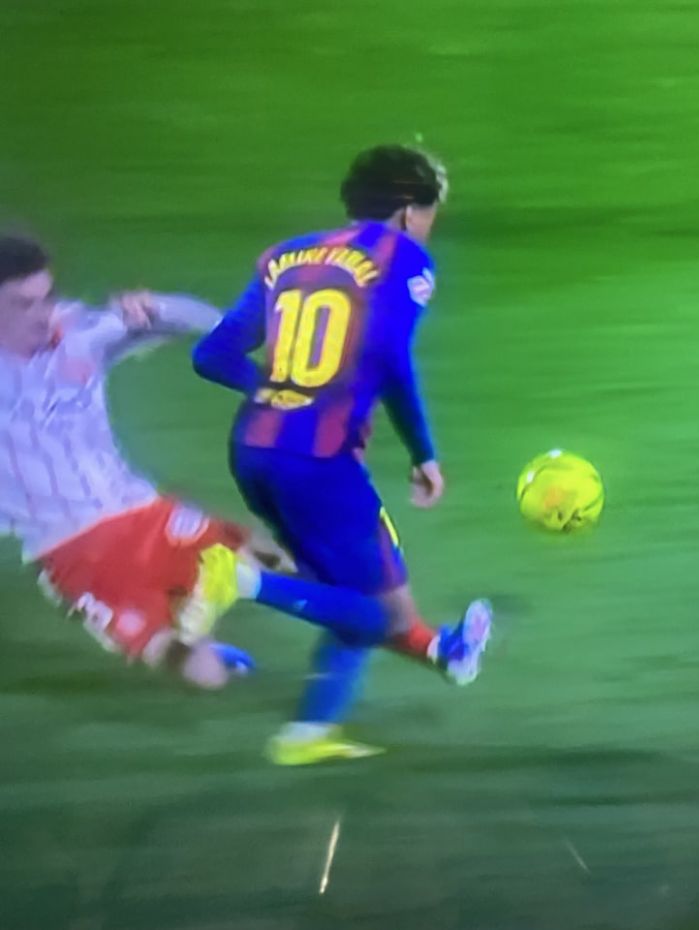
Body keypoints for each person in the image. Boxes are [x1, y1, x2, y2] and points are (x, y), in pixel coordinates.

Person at [192, 144, 492, 766]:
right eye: (431, 212)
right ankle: (239, 580)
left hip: (253, 450)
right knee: (375, 616)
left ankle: (311, 732)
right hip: (318, 463)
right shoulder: (403, 257)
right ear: (408, 210)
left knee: (356, 597)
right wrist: (423, 453)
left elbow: (212, 355)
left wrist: (277, 392)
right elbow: (391, 359)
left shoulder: (286, 254)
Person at [0, 234, 267, 687]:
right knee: (201, 674)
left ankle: (370, 621)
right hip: (75, 548)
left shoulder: (77, 334)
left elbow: (200, 319)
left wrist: (155, 307)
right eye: (23, 305)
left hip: (144, 510)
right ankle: (195, 622)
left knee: (270, 554)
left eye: (46, 297)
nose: (42, 314)